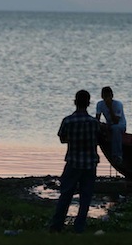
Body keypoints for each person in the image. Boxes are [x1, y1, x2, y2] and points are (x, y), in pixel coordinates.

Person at [49, 90, 101, 233]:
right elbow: (98, 138)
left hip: (73, 161)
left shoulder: (68, 121)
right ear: (88, 103)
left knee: (66, 194)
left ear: (75, 102)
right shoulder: (94, 123)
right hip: (90, 163)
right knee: (86, 197)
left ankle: (57, 226)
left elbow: (62, 138)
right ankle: (79, 227)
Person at [95, 86, 127, 164]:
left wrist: (110, 108)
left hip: (120, 125)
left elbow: (116, 121)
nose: (106, 99)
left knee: (115, 128)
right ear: (102, 96)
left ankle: (117, 155)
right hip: (109, 125)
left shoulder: (118, 104)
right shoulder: (100, 104)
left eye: (108, 96)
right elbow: (97, 119)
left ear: (112, 96)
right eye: (105, 96)